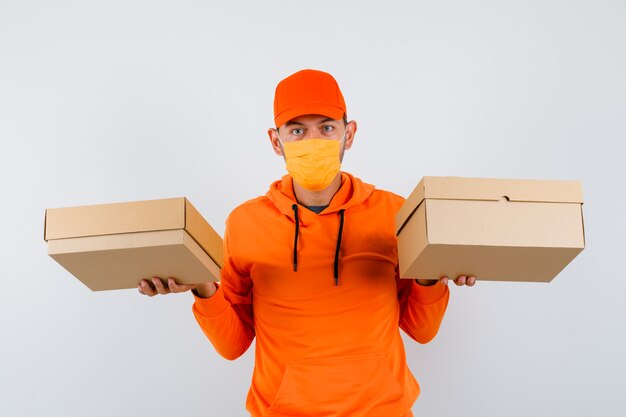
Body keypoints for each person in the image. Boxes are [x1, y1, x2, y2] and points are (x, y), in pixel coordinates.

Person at [138, 69, 476, 417]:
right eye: (297, 130)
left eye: (327, 127)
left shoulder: (396, 213)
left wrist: (433, 275)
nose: (313, 141)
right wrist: (203, 288)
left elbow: (422, 331)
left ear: (350, 133)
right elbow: (233, 345)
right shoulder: (244, 223)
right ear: (275, 140)